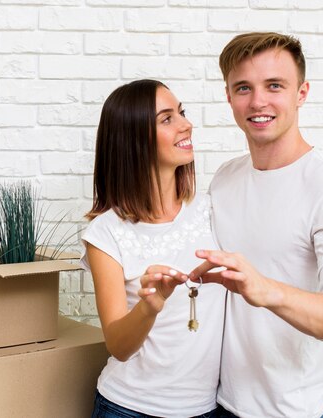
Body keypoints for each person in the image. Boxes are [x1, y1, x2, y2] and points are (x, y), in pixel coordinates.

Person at [189, 32, 323, 418]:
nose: (257, 102)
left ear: (301, 93)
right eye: (243, 88)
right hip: (221, 404)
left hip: (295, 411)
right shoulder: (225, 177)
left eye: (274, 86)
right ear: (228, 97)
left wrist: (265, 289)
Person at [81, 79, 226, 418]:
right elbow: (119, 346)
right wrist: (151, 303)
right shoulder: (105, 233)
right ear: (133, 139)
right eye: (167, 119)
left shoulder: (211, 210)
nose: (186, 124)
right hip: (129, 408)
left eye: (182, 113)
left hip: (209, 409)